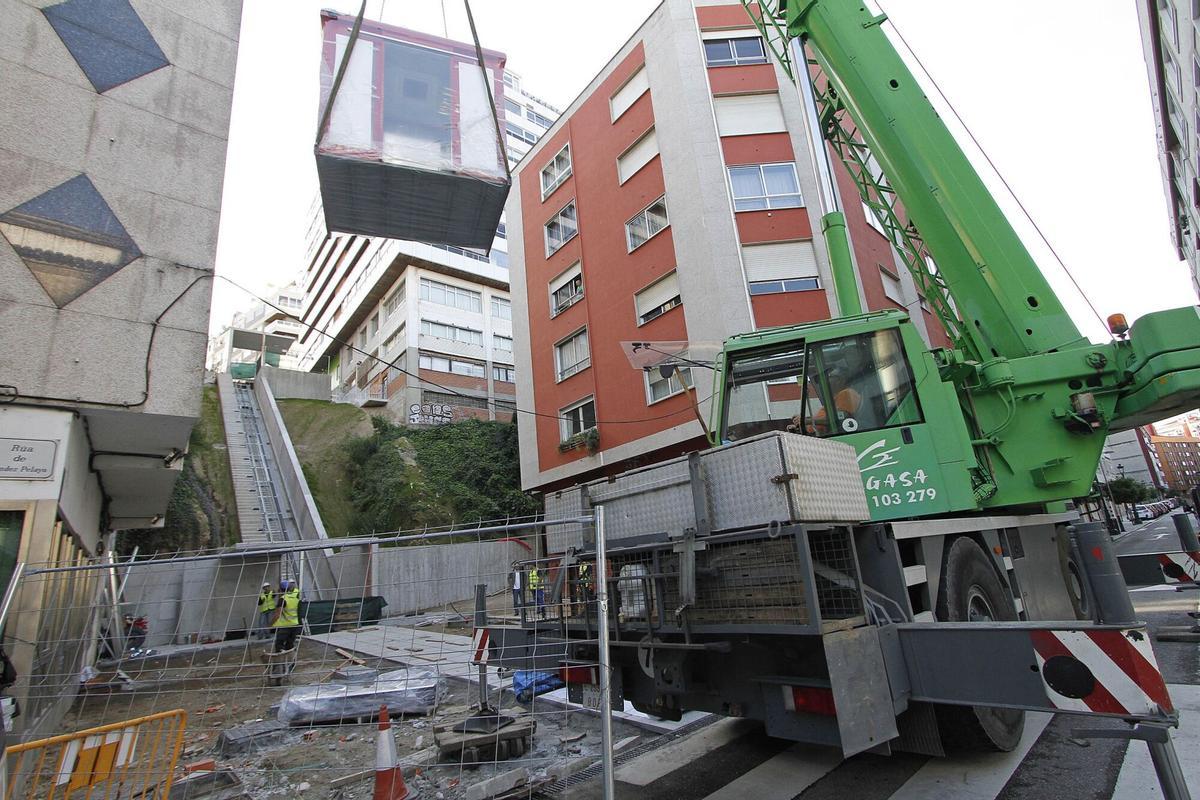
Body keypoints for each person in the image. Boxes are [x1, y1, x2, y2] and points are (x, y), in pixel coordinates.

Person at [271, 580, 301, 653]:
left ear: (280, 589)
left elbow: (277, 614)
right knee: (290, 645)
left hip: (285, 626)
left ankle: (279, 663)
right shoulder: (295, 598)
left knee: (279, 646)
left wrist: (271, 624)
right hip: (294, 625)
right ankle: (291, 663)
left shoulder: (283, 599)